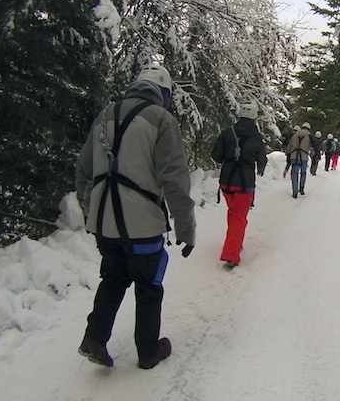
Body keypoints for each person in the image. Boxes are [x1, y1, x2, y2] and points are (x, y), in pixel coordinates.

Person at [75, 63, 195, 370]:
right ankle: (148, 351)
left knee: (113, 279)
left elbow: (84, 170)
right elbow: (175, 179)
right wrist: (186, 229)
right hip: (142, 224)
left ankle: (95, 339)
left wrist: (91, 211)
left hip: (104, 223)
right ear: (163, 95)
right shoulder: (161, 119)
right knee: (149, 286)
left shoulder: (105, 114)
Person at [210, 102, 268, 268]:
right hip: (245, 182)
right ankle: (231, 254)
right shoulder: (256, 137)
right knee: (239, 218)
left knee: (233, 212)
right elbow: (262, 160)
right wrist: (259, 167)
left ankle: (234, 243)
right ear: (254, 117)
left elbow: (215, 155)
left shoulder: (228, 133)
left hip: (226, 181)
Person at [286, 122, 312, 197]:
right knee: (303, 173)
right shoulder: (309, 136)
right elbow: (312, 146)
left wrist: (288, 155)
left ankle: (295, 191)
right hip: (304, 157)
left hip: (294, 157)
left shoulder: (295, 135)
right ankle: (301, 188)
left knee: (294, 174)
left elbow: (289, 146)